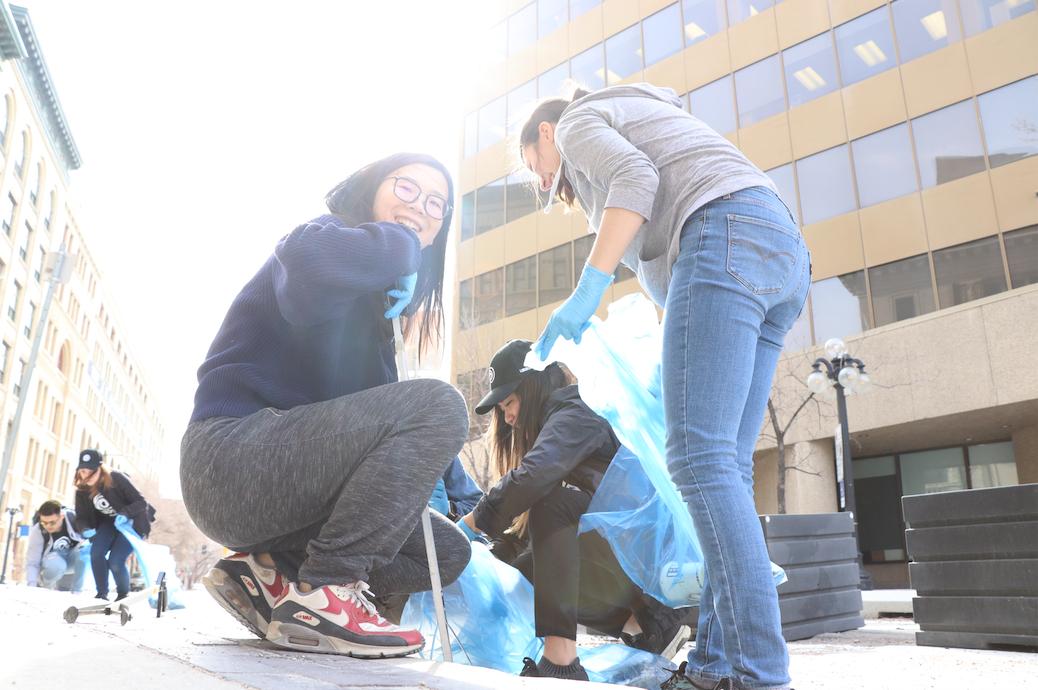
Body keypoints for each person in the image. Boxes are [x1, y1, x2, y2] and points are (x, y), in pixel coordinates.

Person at [518, 84, 810, 690]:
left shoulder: (575, 123)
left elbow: (636, 183)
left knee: (698, 461)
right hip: (781, 254)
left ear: (545, 135)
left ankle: (760, 675)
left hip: (725, 234)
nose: (543, 181)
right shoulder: (645, 119)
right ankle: (710, 669)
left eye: (534, 166)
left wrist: (588, 289)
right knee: (719, 466)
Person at [183, 153, 471, 659]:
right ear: (371, 189)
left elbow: (374, 441)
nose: (420, 208)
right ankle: (324, 592)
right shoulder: (324, 237)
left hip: (284, 487)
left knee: (442, 551)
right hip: (229, 458)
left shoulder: (379, 324)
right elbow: (307, 286)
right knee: (441, 404)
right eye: (406, 189)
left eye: (435, 205)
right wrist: (402, 242)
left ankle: (267, 572)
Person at [460, 339, 693, 682]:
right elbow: (526, 537)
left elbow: (534, 478)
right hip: (628, 560)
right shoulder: (557, 427)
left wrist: (471, 523)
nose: (507, 417)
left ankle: (561, 662)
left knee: (551, 504)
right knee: (522, 569)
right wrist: (477, 566)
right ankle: (641, 626)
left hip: (651, 567)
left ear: (534, 385)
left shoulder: (577, 410)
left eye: (509, 402)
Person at [74, 449, 155, 601]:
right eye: (83, 471)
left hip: (131, 523)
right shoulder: (82, 491)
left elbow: (141, 502)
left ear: (100, 469)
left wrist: (125, 513)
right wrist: (85, 530)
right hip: (108, 524)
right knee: (96, 553)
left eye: (91, 471)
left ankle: (123, 594)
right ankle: (102, 593)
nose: (87, 475)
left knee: (116, 561)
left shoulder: (116, 478)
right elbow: (81, 517)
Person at [26, 500, 87, 592]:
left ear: (61, 516)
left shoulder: (73, 519)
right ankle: (45, 589)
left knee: (84, 551)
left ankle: (77, 592)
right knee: (57, 563)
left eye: (52, 522)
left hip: (72, 560)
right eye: (44, 522)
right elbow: (32, 562)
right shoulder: (38, 530)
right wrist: (32, 586)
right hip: (52, 563)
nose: (48, 526)